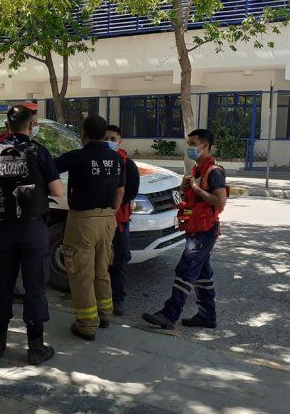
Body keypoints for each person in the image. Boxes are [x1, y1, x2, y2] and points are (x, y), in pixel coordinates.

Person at [0, 105, 63, 365]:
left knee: (2, 284)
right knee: (34, 285)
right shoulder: (38, 151)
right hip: (32, 229)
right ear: (31, 124)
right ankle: (35, 347)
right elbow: (58, 191)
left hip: (2, 229)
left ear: (7, 124)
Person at [143, 129, 227, 330]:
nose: (188, 147)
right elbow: (187, 200)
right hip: (196, 228)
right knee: (202, 274)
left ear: (204, 146)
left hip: (205, 231)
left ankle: (169, 315)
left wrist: (197, 189)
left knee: (186, 269)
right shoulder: (198, 170)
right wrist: (184, 187)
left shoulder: (213, 171)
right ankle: (207, 316)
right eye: (188, 143)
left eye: (192, 143)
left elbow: (220, 202)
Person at [55, 116, 125, 341]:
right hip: (107, 220)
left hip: (83, 221)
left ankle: (86, 324)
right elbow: (120, 189)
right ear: (104, 134)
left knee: (81, 273)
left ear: (83, 134)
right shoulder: (116, 158)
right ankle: (105, 314)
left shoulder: (78, 156)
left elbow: (49, 168)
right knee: (102, 269)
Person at [104, 125, 140, 316]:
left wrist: (115, 205)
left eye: (112, 138)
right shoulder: (98, 161)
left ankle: (118, 298)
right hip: (99, 217)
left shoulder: (128, 164)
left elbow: (132, 191)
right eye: (106, 138)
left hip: (119, 219)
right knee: (99, 258)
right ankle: (101, 295)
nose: (109, 142)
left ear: (120, 141)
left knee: (121, 257)